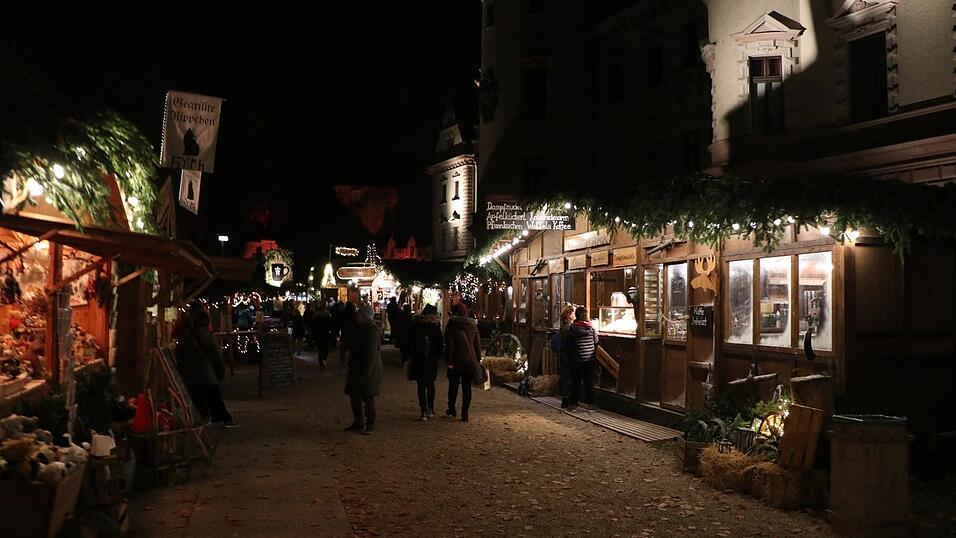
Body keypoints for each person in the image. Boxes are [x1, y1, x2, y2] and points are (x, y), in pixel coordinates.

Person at [175, 307, 238, 427]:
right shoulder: (209, 336)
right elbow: (216, 355)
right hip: (207, 372)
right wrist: (220, 369)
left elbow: (179, 353)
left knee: (198, 397)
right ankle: (221, 418)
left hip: (191, 374)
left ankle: (202, 418)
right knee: (214, 396)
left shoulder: (186, 335)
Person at [344, 302, 383, 434]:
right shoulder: (359, 328)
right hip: (356, 366)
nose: (357, 316)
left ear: (364, 316)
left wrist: (366, 373)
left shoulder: (371, 331)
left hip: (367, 368)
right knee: (354, 395)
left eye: (359, 314)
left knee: (367, 397)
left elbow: (371, 354)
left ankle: (370, 423)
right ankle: (358, 422)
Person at [443, 303, 481, 422]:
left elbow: (449, 345)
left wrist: (448, 360)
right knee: (467, 387)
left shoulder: (451, 325)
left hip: (455, 361)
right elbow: (477, 345)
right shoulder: (472, 325)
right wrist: (477, 360)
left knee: (453, 386)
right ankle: (465, 413)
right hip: (470, 361)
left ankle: (452, 408)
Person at [407, 304, 444, 420]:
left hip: (419, 360)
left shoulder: (417, 326)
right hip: (431, 360)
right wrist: (437, 356)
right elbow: (440, 346)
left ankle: (423, 411)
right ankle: (430, 409)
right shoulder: (435, 327)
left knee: (421, 386)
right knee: (430, 385)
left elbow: (411, 343)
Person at [565, 306, 598, 411]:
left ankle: (573, 404)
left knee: (576, 382)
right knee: (589, 382)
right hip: (589, 360)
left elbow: (569, 345)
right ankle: (591, 405)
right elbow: (596, 341)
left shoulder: (572, 329)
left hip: (577, 360)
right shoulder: (591, 328)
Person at [553, 304, 576, 409]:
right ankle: (568, 400)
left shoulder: (563, 327)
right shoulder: (569, 328)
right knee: (569, 377)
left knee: (565, 376)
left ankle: (565, 400)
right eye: (573, 312)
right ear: (569, 315)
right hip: (569, 355)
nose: (574, 314)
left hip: (564, 355)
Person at [311, 301, 333, 370]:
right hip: (325, 334)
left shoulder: (316, 316)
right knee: (325, 348)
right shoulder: (328, 315)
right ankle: (324, 360)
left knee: (320, 349)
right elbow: (330, 325)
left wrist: (313, 335)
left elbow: (313, 326)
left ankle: (321, 362)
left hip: (318, 334)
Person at [339, 301, 357, 369]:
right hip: (352, 333)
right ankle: (351, 361)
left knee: (343, 348)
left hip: (344, 332)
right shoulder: (354, 313)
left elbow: (340, 323)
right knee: (351, 348)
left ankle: (343, 361)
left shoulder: (343, 313)